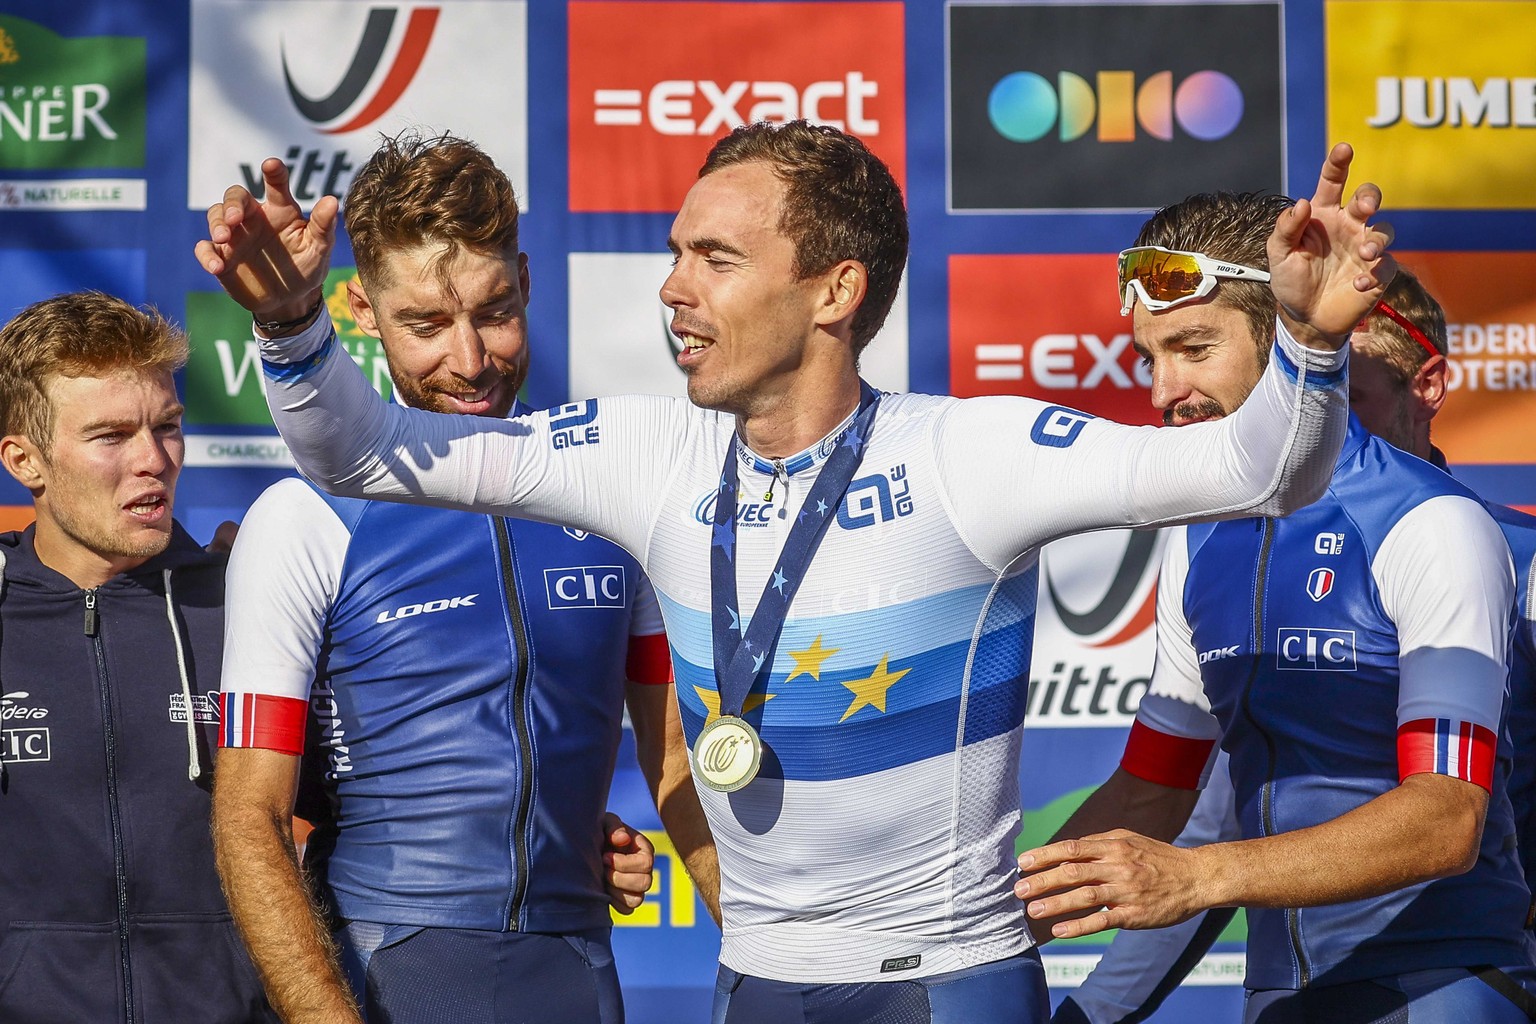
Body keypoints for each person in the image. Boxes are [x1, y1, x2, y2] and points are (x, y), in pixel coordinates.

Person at [196, 122, 1392, 1023]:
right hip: (755, 986)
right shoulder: (642, 453)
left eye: (713, 257)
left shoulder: (971, 454)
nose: (672, 286)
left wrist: (1312, 342)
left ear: (835, 290)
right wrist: (297, 328)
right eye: (674, 252)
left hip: (948, 985)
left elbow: (1263, 469)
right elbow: (360, 450)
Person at [207, 133, 716, 1024]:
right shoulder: (304, 520)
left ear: (524, 275)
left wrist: (784, 962)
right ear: (360, 308)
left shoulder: (614, 497)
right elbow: (250, 818)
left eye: (495, 310)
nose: (472, 360)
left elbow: (677, 762)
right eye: (428, 325)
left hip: (576, 975)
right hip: (389, 973)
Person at [1020, 195, 1536, 1021]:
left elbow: (1445, 818)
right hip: (1282, 997)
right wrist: (969, 933)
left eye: (1193, 350)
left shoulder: (1430, 522)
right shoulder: (1199, 540)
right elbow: (1154, 793)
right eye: (1149, 358)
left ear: (1283, 327)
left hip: (1437, 988)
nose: (1164, 392)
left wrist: (1198, 878)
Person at [0, 291, 275, 1023]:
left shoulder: (251, 605)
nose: (153, 460)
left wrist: (557, 831)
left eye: (168, 427)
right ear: (25, 459)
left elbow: (366, 807)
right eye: (111, 435)